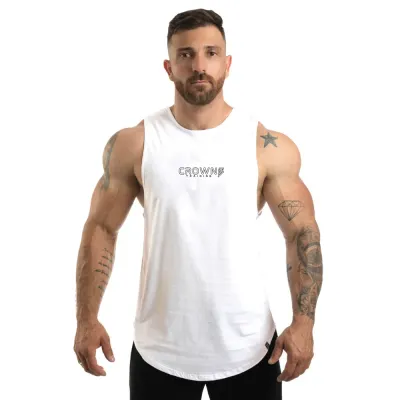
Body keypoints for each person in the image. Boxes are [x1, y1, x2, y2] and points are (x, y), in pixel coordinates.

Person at [74, 8, 323, 400]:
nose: (199, 66)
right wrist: (87, 319)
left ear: (228, 63)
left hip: (251, 349)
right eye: (186, 54)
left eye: (211, 53)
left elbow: (301, 233)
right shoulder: (135, 144)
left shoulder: (265, 146)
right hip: (159, 352)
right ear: (168, 67)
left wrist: (304, 323)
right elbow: (102, 228)